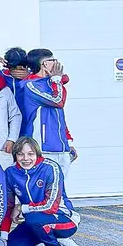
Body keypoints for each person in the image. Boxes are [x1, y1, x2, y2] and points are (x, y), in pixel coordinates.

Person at [4, 137, 81, 246]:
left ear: (37, 154)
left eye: (30, 154)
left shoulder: (50, 168)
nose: (25, 158)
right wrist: (3, 234)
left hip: (63, 219)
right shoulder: (10, 173)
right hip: (32, 222)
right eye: (20, 154)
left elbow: (51, 206)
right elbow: (8, 205)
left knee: (33, 218)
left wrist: (22, 207)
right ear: (15, 155)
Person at [21, 49, 75, 178]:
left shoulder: (54, 84)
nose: (57, 63)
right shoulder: (30, 85)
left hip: (61, 148)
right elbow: (58, 101)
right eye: (53, 60)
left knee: (60, 192)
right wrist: (57, 80)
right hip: (41, 148)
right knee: (44, 191)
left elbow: (59, 115)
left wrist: (69, 141)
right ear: (45, 64)